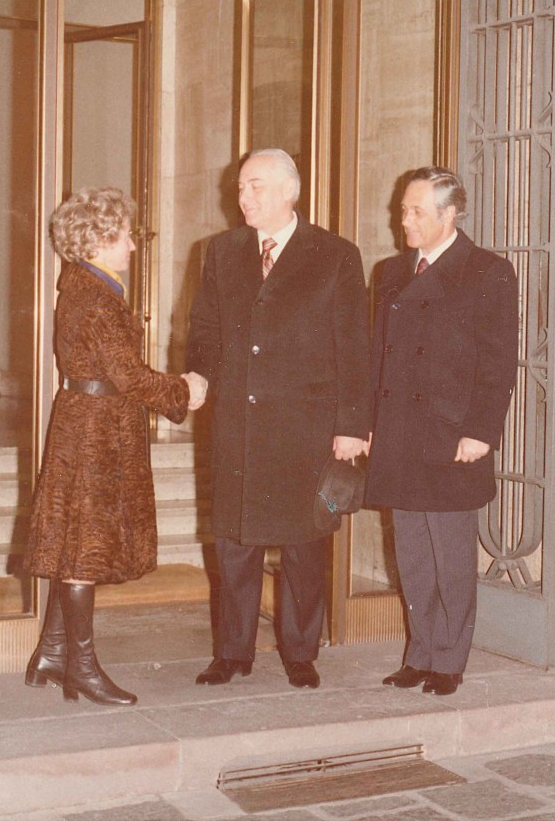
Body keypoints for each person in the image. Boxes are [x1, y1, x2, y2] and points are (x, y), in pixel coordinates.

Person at [186, 148, 372, 689]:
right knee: (234, 543)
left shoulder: (335, 255)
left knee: (303, 545)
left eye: (256, 186)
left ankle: (300, 652)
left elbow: (354, 346)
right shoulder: (221, 251)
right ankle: (232, 653)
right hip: (237, 425)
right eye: (240, 187)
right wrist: (199, 376)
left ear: (290, 191)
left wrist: (351, 425)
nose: (243, 197)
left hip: (304, 428)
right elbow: (204, 330)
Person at [25, 187, 204, 706]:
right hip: (94, 433)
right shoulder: (97, 297)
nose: (131, 244)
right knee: (87, 546)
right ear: (98, 238)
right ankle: (80, 668)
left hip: (87, 424)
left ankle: (52, 653)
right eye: (125, 235)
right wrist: (183, 391)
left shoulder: (85, 286)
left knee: (77, 541)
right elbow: (128, 375)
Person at [365, 166, 518, 696]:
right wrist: (368, 425)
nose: (403, 220)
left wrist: (481, 431)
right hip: (399, 435)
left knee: (450, 557)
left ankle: (449, 660)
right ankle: (420, 654)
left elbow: (498, 364)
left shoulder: (487, 271)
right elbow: (375, 359)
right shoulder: (390, 272)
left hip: (452, 436)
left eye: (415, 211)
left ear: (448, 215)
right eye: (402, 210)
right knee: (411, 555)